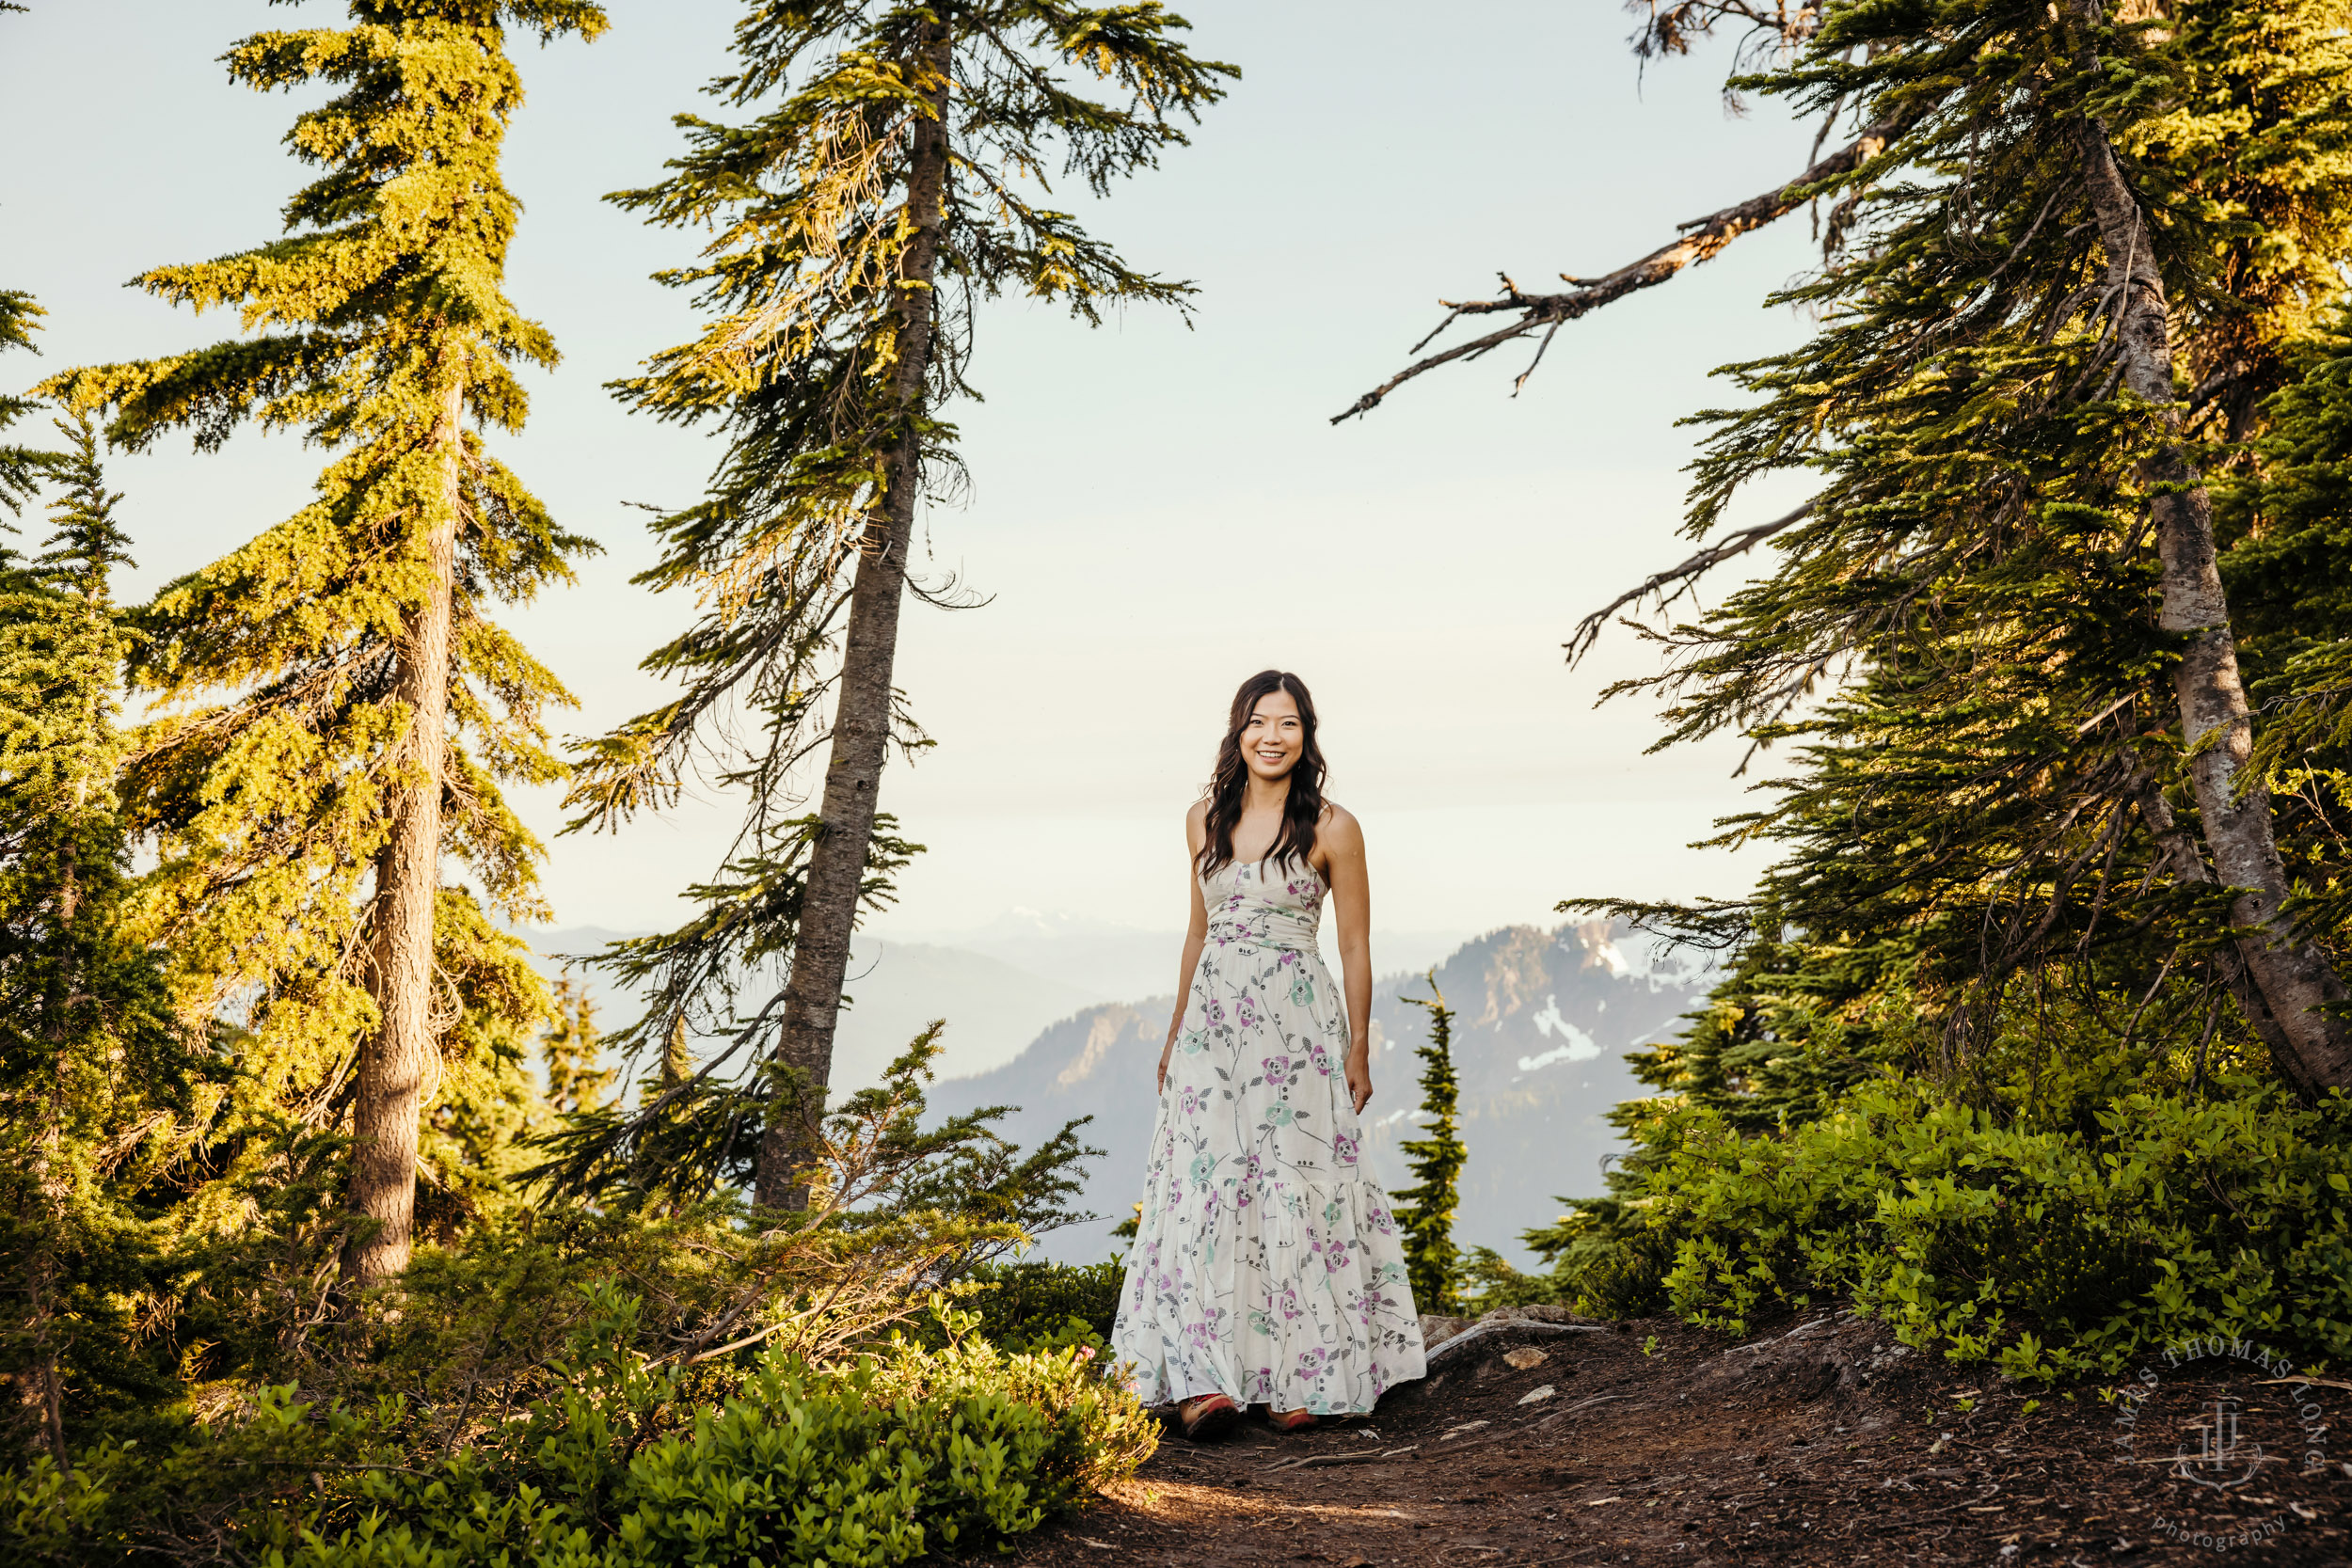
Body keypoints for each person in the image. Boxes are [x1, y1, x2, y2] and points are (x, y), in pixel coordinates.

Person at [1110, 670, 1426, 1441]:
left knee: (1297, 1186)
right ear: (1237, 732)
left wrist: (1359, 1044)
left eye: (1288, 723)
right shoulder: (1201, 820)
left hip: (1297, 1031)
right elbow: (1197, 930)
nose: (1272, 737)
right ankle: (1201, 1379)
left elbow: (1353, 943)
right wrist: (1176, 1025)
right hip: (1213, 1031)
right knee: (1204, 1189)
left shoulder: (1334, 828)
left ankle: (1303, 1373)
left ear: (1306, 734)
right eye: (1259, 722)